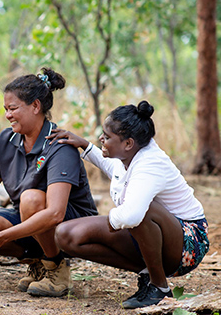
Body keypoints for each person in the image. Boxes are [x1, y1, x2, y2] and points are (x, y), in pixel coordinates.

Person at [0, 68, 98, 297]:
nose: (7, 115)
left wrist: (2, 237)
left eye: (13, 109)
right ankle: (38, 261)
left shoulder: (59, 144)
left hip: (71, 225)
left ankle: (56, 267)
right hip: (29, 219)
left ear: (35, 106)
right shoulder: (6, 139)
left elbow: (54, 214)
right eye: (5, 109)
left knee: (30, 198)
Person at [50, 101, 209, 309]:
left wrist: (107, 226)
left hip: (188, 241)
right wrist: (84, 145)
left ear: (128, 143)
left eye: (107, 137)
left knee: (139, 211)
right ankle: (147, 273)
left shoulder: (150, 163)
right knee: (66, 235)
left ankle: (159, 288)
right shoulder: (130, 155)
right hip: (153, 234)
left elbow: (132, 216)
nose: (101, 139)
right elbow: (113, 167)